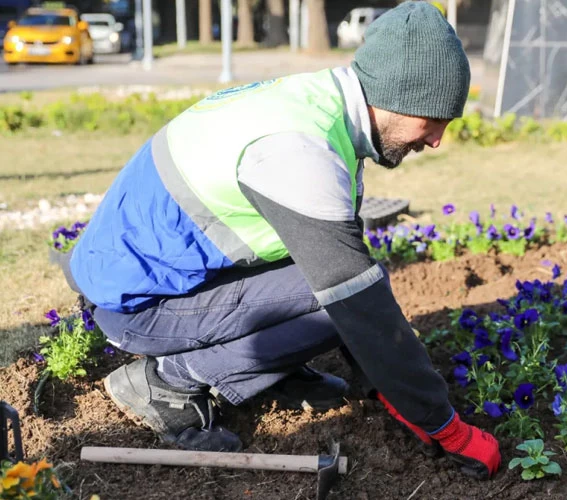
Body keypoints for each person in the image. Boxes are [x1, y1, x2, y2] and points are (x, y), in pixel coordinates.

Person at [64, 2, 501, 480]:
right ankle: (165, 382)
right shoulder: (298, 149)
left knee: (347, 283)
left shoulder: (324, 105)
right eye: (434, 120)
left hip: (156, 274)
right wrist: (443, 425)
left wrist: (377, 382)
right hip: (137, 305)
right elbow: (356, 299)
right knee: (339, 299)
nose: (436, 139)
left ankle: (269, 371)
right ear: (399, 96)